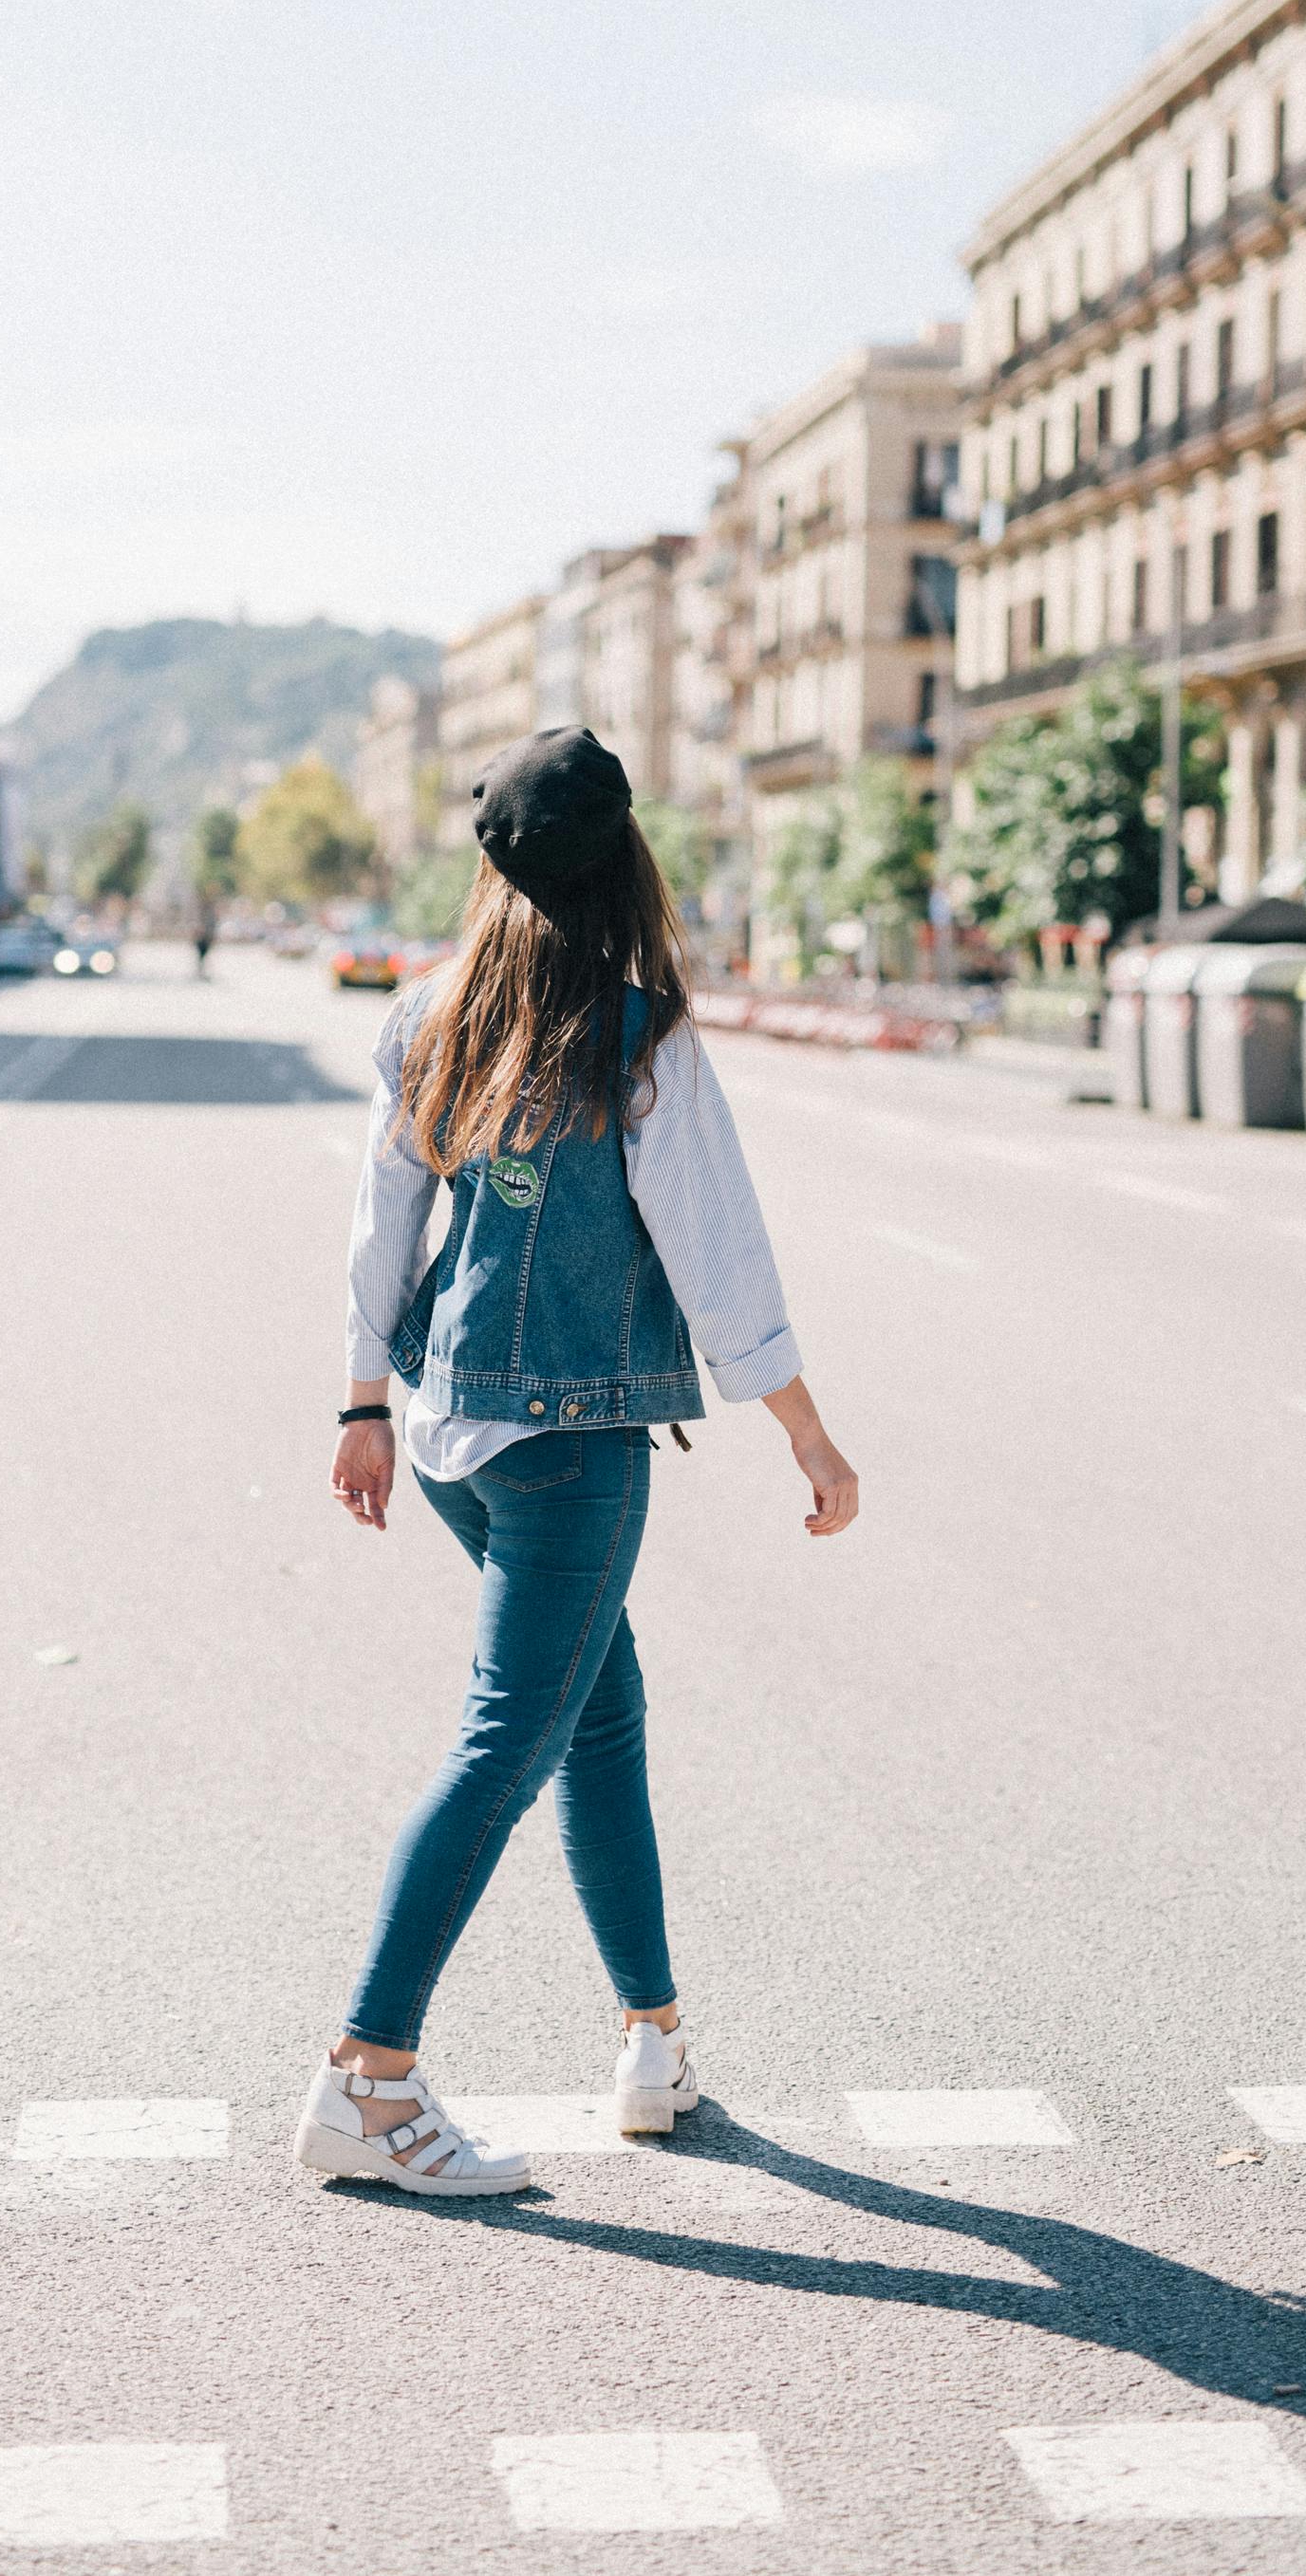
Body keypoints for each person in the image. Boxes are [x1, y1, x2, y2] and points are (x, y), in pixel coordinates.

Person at [293, 724, 860, 2200]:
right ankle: (370, 2076)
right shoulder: (635, 1032)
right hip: (570, 1447)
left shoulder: (432, 1015)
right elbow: (719, 1253)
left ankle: (652, 2040)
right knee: (509, 1737)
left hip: (447, 1436)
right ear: (623, 868)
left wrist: (362, 1406)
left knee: (597, 1712)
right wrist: (810, 1435)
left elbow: (380, 1229)